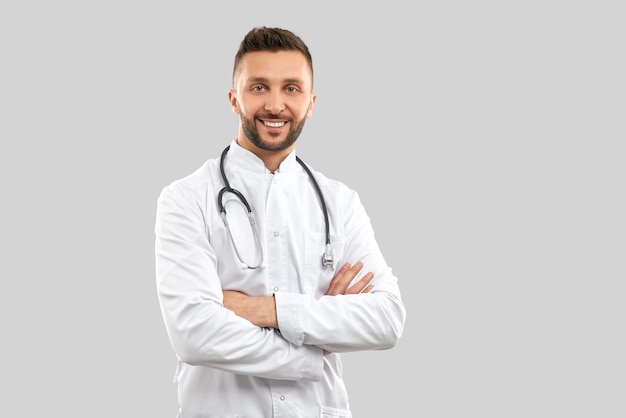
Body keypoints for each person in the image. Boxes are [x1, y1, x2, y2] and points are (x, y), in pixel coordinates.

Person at [155, 26, 406, 418]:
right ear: (233, 98)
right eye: (258, 87)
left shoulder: (340, 202)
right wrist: (316, 342)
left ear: (311, 102)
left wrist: (264, 309)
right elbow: (194, 334)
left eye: (291, 88)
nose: (275, 104)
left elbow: (387, 319)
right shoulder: (186, 199)